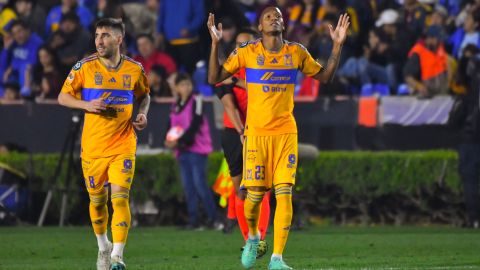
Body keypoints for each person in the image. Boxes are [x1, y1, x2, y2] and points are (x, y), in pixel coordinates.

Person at [207, 6, 349, 269]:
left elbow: (325, 77)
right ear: (260, 27)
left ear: (284, 25)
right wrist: (215, 43)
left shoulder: (296, 52)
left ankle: (277, 258)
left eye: (279, 16)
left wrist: (337, 45)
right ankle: (252, 237)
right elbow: (214, 77)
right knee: (254, 196)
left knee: (284, 193)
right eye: (268, 16)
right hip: (257, 134)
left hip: (285, 133)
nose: (275, 19)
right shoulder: (247, 52)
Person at [57, 18, 150, 270]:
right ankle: (103, 247)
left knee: (120, 198)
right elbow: (62, 96)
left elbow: (144, 96)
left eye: (106, 35)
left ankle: (118, 256)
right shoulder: (85, 67)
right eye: (97, 35)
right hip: (93, 148)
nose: (99, 40)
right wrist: (86, 105)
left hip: (123, 143)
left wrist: (142, 114)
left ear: (119, 39)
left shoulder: (134, 69)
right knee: (97, 202)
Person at [214, 28, 270, 258]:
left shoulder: (262, 68)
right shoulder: (227, 69)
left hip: (260, 131)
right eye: (238, 44)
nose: (241, 48)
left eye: (246, 43)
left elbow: (265, 91)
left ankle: (262, 239)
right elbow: (229, 104)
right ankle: (248, 239)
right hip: (234, 133)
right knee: (240, 190)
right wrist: (240, 130)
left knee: (262, 187)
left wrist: (238, 81)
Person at [164, 73, 220, 230]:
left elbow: (195, 125)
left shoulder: (198, 101)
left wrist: (178, 141)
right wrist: (167, 139)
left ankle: (214, 219)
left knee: (200, 184)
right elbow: (170, 125)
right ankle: (194, 220)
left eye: (188, 84)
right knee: (188, 187)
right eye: (182, 85)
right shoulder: (175, 105)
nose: (186, 87)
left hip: (197, 149)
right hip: (182, 151)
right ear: (177, 87)